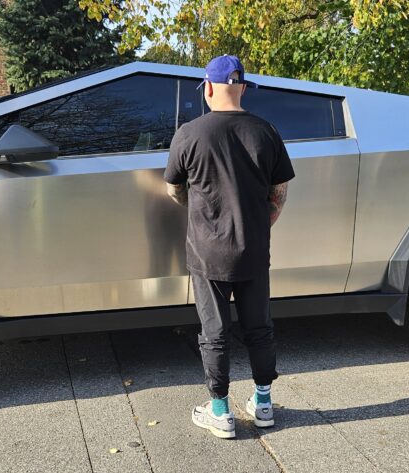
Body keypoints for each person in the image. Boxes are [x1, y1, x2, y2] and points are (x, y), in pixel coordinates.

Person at [164, 55, 295, 439]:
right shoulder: (266, 131)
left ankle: (220, 411)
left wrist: (200, 208)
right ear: (242, 88)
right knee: (260, 327)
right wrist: (260, 222)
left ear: (207, 88)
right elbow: (280, 194)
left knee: (215, 332)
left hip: (207, 253)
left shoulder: (190, 133)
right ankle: (264, 403)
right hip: (254, 249)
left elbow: (174, 188)